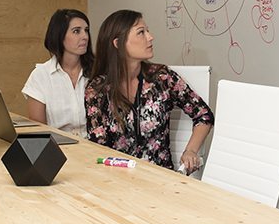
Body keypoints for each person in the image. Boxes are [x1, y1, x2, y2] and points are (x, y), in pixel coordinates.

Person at [85, 9, 213, 172]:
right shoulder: (97, 90)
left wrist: (191, 151)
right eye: (141, 32)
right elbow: (99, 149)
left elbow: (204, 115)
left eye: (147, 31)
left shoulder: (162, 78)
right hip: (118, 181)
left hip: (161, 180)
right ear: (118, 44)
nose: (150, 37)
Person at [22, 9, 93, 137]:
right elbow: (39, 131)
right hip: (58, 148)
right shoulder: (40, 75)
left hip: (96, 148)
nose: (85, 36)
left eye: (86, 30)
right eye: (76, 31)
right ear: (59, 36)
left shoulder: (98, 72)